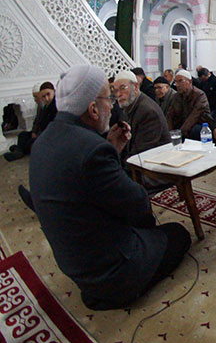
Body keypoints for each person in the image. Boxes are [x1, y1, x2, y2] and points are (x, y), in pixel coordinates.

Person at [28, 65, 190, 310]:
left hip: (74, 265)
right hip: (111, 270)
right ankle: (120, 290)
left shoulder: (43, 141)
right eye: (109, 98)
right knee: (178, 234)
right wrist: (110, 153)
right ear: (93, 109)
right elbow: (137, 204)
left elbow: (87, 185)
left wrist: (112, 149)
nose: (113, 105)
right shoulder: (93, 150)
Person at [112, 70, 170, 164]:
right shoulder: (128, 107)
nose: (118, 94)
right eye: (116, 90)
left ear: (135, 87)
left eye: (123, 88)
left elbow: (140, 155)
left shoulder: (148, 112)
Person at [4, 82, 57, 162]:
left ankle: (19, 150)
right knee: (23, 135)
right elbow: (37, 121)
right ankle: (20, 149)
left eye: (48, 94)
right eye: (43, 96)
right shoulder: (44, 106)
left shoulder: (56, 106)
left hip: (48, 135)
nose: (46, 98)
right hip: (40, 133)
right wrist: (34, 131)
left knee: (31, 143)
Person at [167, 69, 213, 139]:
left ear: (190, 81)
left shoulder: (200, 95)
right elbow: (170, 115)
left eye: (180, 81)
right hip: (183, 124)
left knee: (194, 130)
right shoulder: (176, 96)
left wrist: (180, 134)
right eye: (175, 82)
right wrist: (169, 132)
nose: (177, 85)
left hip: (200, 125)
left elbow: (194, 117)